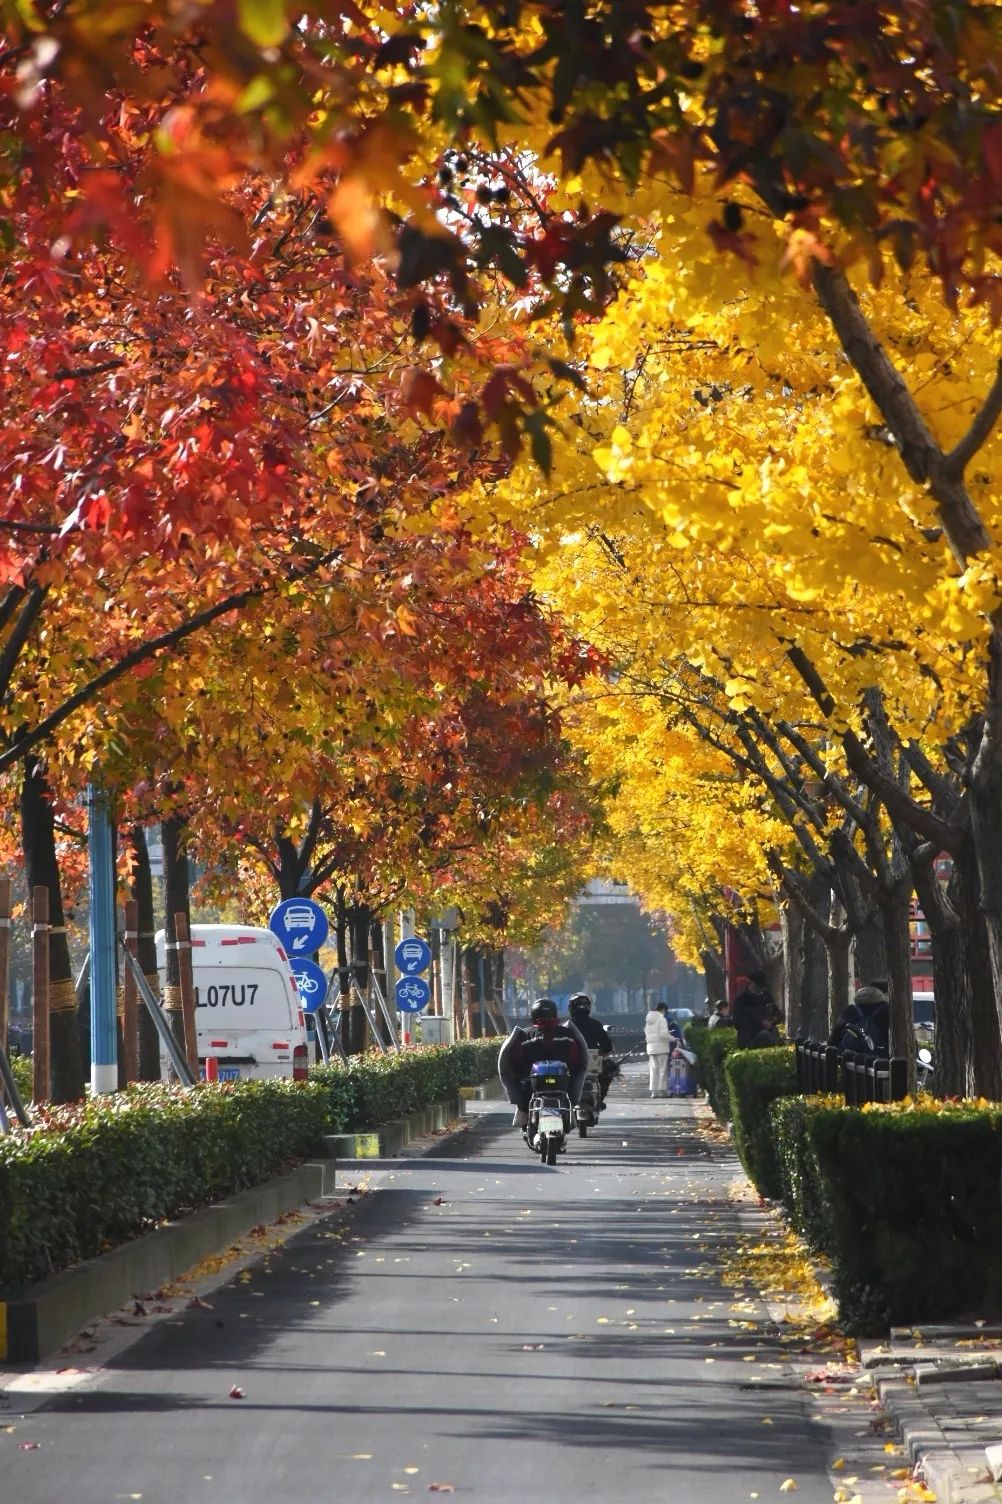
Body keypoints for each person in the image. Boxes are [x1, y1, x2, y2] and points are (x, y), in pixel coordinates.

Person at [498, 998, 588, 1128]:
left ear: (534, 1014)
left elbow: (516, 1060)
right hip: (563, 1084)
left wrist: (519, 1074)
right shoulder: (568, 1035)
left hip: (533, 1085)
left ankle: (525, 1120)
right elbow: (576, 1060)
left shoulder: (525, 1036)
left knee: (524, 1099)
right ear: (554, 1014)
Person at [567, 993, 617, 1103]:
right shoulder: (595, 1024)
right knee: (610, 1070)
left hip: (571, 1063)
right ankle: (600, 1098)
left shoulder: (566, 1026)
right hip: (592, 1060)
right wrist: (602, 1052)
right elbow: (607, 1045)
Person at [829, 982, 889, 1056]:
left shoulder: (850, 1011)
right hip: (879, 1062)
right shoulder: (886, 1011)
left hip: (849, 1060)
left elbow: (833, 1041)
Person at [733, 971, 780, 1048]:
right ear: (751, 983)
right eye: (758, 986)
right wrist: (761, 1024)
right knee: (765, 1034)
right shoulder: (742, 1000)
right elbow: (739, 1023)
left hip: (769, 1036)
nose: (761, 989)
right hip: (750, 1039)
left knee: (774, 1032)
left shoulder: (767, 997)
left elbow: (777, 1014)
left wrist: (772, 1021)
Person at [645, 1001, 676, 1097]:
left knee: (654, 1070)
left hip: (651, 1048)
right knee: (662, 1070)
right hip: (661, 1048)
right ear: (663, 1009)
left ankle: (654, 1092)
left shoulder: (649, 1019)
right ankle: (662, 1090)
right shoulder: (661, 1019)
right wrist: (673, 1038)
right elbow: (663, 1034)